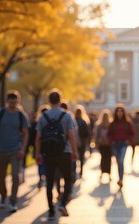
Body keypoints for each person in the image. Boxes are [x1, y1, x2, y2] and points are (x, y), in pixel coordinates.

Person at [35, 88, 78, 220]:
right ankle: (63, 203)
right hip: (64, 151)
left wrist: (38, 153)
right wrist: (74, 152)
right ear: (60, 100)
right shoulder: (66, 115)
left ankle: (51, 210)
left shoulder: (43, 116)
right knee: (68, 178)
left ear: (49, 100)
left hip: (48, 153)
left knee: (49, 181)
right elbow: (71, 136)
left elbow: (38, 137)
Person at [0, 90, 29, 212]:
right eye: (11, 102)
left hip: (15, 149)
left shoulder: (21, 115)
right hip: (1, 149)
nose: (13, 104)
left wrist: (22, 149)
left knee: (15, 176)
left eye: (15, 102)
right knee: (1, 177)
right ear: (7, 102)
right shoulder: (0, 114)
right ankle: (3, 196)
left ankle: (13, 201)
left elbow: (25, 134)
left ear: (17, 101)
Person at [107, 104, 134, 188]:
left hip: (123, 144)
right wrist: (111, 141)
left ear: (123, 112)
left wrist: (128, 140)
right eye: (118, 111)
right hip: (115, 144)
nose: (119, 113)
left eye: (121, 111)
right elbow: (108, 134)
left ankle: (121, 179)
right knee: (118, 162)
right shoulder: (112, 123)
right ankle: (119, 177)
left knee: (121, 160)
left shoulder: (127, 123)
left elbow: (132, 133)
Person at [30, 105, 50, 189]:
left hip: (38, 146)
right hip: (47, 146)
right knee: (45, 163)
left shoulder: (36, 123)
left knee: (40, 163)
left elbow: (33, 136)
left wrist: (33, 147)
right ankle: (45, 176)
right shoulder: (50, 122)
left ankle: (41, 177)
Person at [94, 109, 113, 181]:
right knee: (108, 159)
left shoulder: (99, 125)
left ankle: (102, 173)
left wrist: (96, 143)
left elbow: (96, 135)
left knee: (103, 158)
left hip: (102, 144)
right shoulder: (110, 124)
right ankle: (108, 173)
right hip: (109, 144)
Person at [74, 104, 91, 178]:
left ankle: (74, 172)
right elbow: (87, 133)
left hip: (74, 142)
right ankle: (81, 171)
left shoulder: (73, 120)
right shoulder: (84, 122)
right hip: (82, 142)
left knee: (74, 157)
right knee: (81, 157)